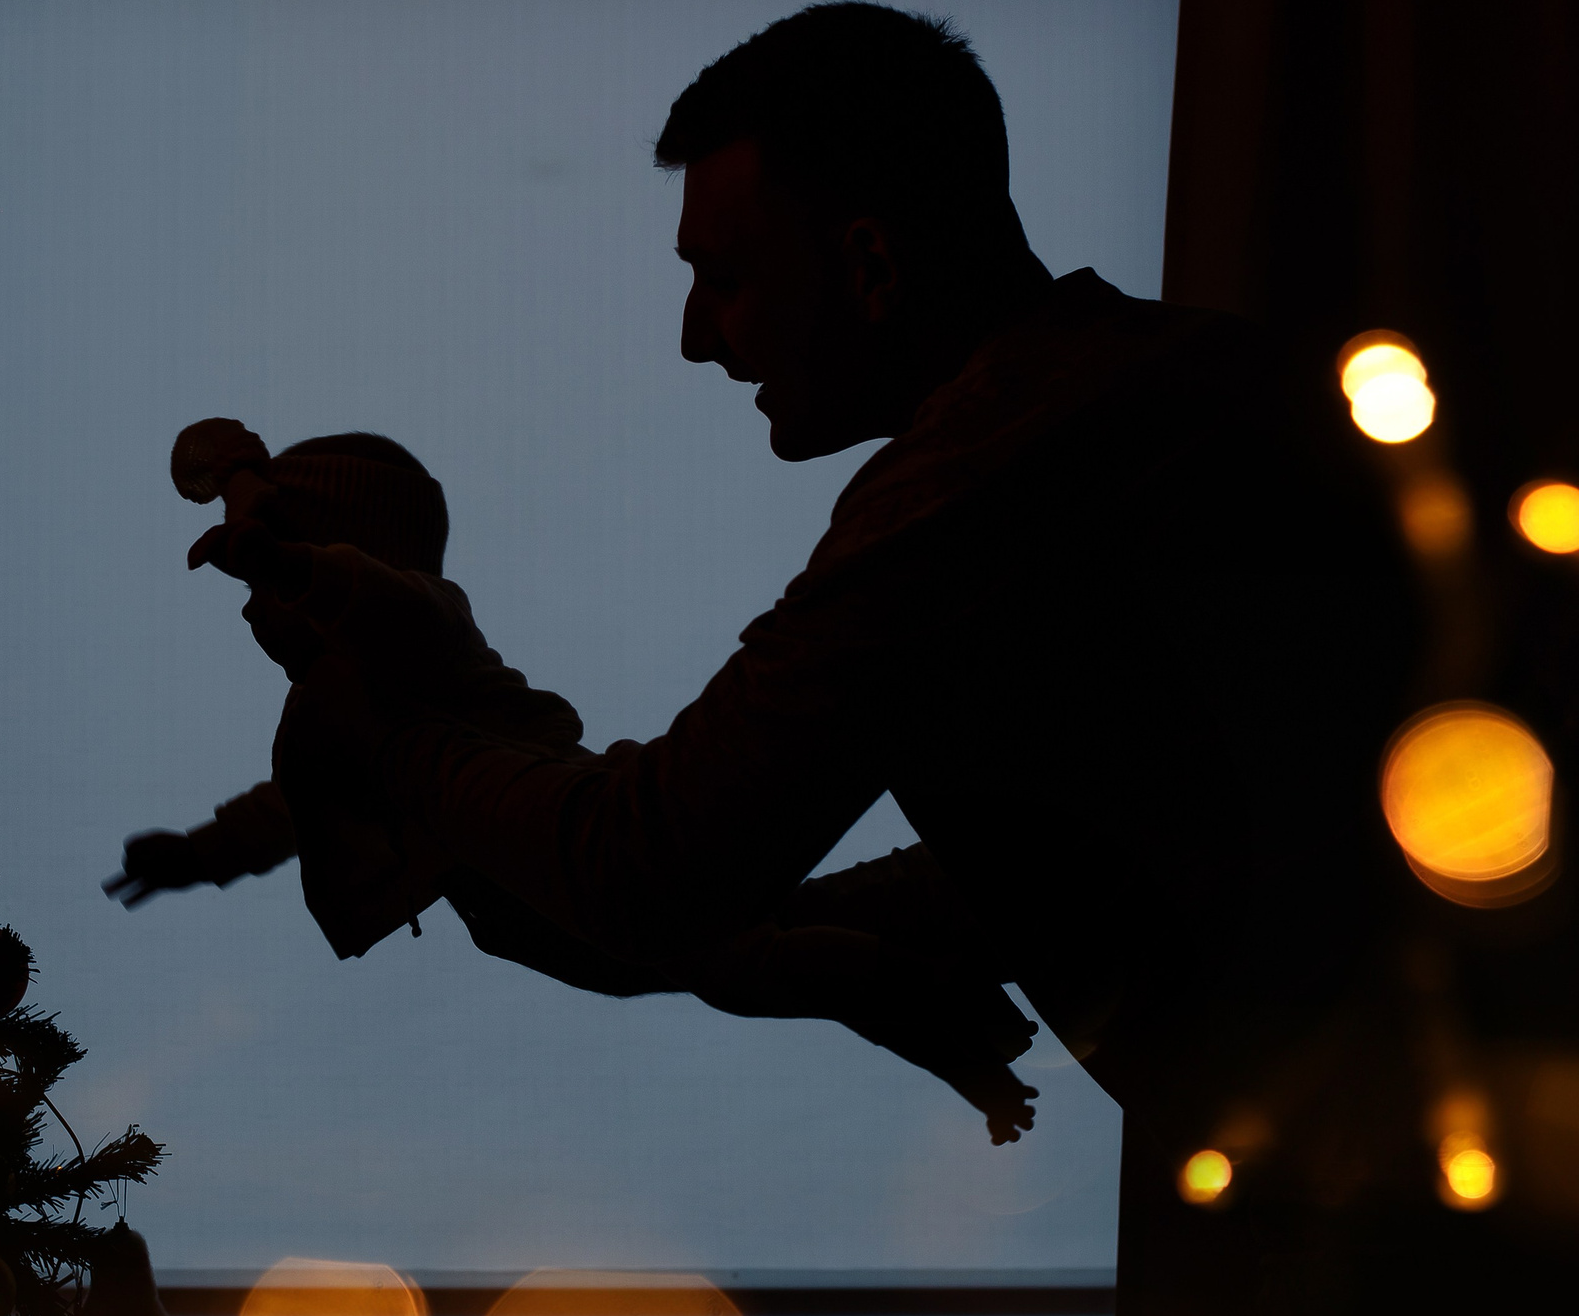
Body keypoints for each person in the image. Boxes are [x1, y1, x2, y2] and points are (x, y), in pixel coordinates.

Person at [222, 2, 1476, 1316]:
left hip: (1384, 1282)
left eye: (729, 280)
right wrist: (820, 950)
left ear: (872, 263)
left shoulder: (964, 502)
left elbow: (641, 871)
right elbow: (1195, 826)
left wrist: (400, 715)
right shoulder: (1187, 387)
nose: (697, 339)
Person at [114, 416, 1044, 1142]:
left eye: (276, 579)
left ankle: (941, 1006)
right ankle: (951, 939)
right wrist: (201, 854)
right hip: (550, 918)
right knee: (770, 938)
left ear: (342, 560)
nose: (253, 609)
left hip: (572, 850)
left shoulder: (420, 633)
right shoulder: (343, 713)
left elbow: (378, 603)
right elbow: (294, 809)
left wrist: (292, 569)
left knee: (745, 963)